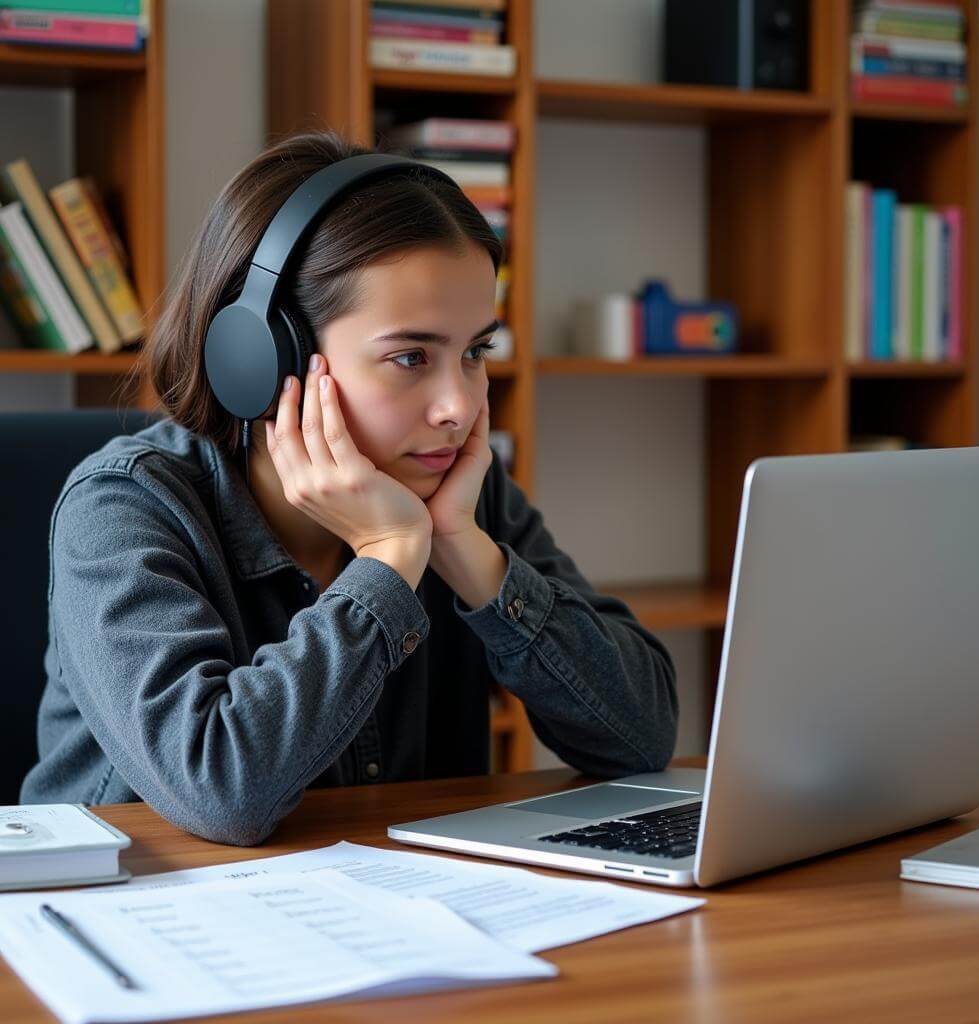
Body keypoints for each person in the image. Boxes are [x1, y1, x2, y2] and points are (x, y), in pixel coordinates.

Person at [20, 130, 680, 845]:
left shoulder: (460, 496)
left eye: (474, 352)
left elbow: (640, 740)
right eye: (409, 356)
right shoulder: (124, 509)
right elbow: (222, 791)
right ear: (264, 360)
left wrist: (469, 555)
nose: (458, 407)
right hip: (128, 922)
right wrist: (391, 559)